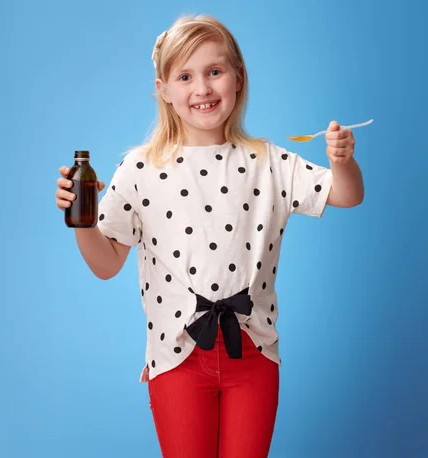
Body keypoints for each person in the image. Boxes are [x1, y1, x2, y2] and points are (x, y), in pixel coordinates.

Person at [55, 13, 364, 458]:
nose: (201, 88)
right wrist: (81, 222)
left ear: (238, 78)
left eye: (214, 72)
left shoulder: (270, 162)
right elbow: (106, 265)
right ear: (163, 90)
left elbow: (347, 195)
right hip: (177, 359)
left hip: (254, 355)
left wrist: (342, 161)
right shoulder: (140, 170)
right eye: (185, 76)